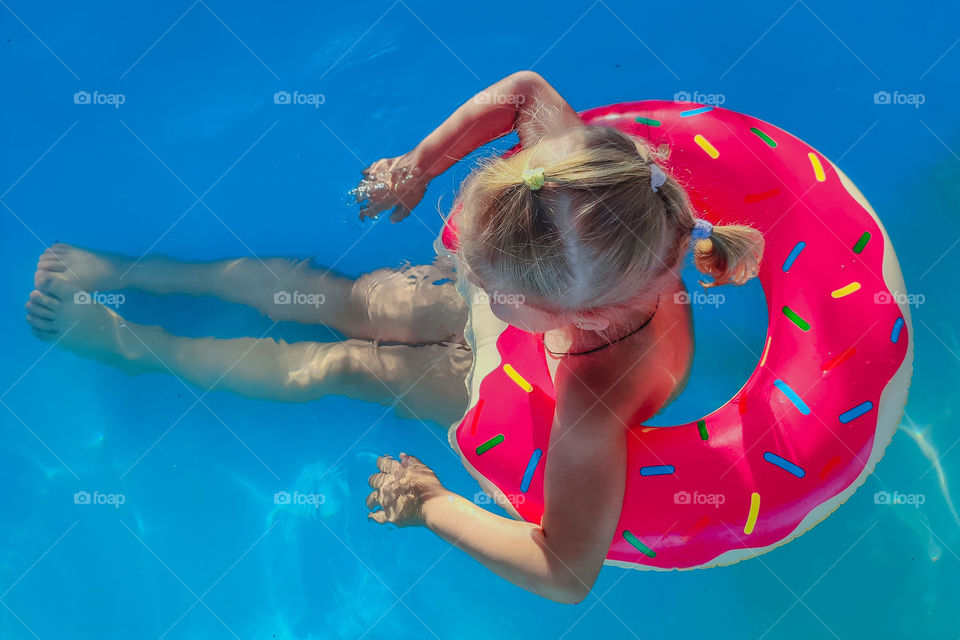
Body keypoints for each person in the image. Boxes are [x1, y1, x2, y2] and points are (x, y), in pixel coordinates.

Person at [26, 71, 762, 603]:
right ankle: (131, 272)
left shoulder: (592, 407)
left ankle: (129, 345)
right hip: (536, 311)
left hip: (505, 387)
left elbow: (565, 571)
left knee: (338, 364)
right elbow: (525, 93)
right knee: (348, 301)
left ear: (584, 318)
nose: (466, 271)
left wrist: (429, 501)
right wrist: (419, 166)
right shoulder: (585, 204)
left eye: (491, 282)